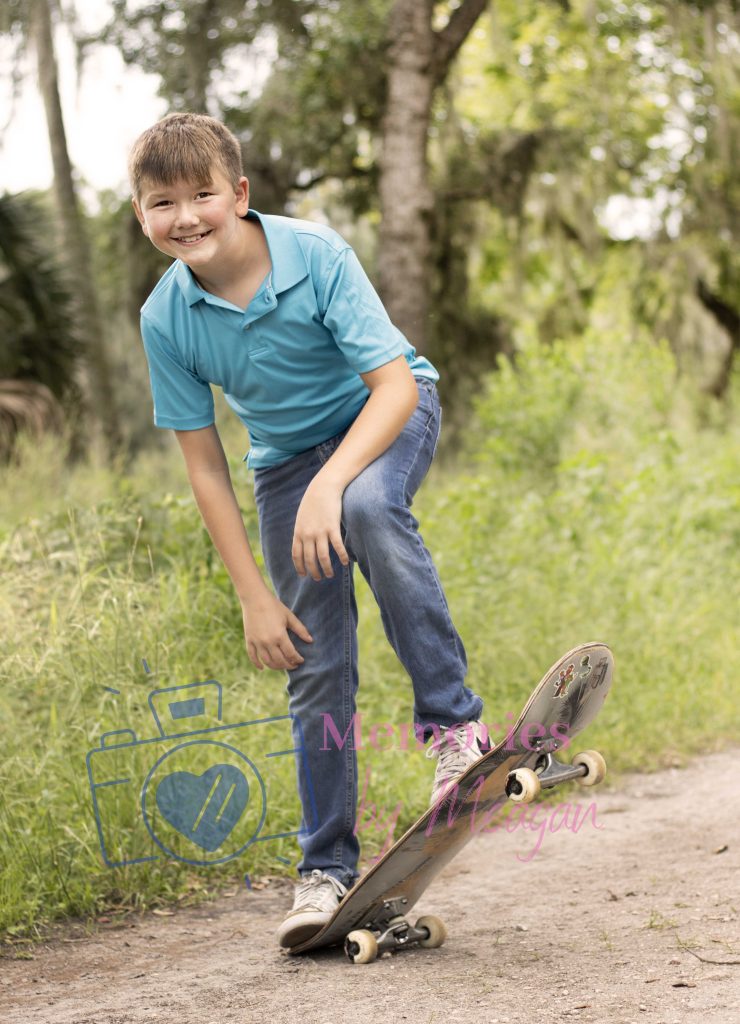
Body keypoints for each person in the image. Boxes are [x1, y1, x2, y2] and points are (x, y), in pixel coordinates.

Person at [129, 112, 486, 948]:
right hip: (285, 467)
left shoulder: (315, 254)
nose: (185, 217)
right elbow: (207, 465)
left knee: (366, 507)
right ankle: (324, 870)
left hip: (385, 417)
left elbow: (394, 385)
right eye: (161, 203)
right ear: (140, 214)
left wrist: (334, 483)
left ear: (241, 194)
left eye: (203, 194)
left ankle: (457, 729)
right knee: (312, 662)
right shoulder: (167, 318)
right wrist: (253, 593)